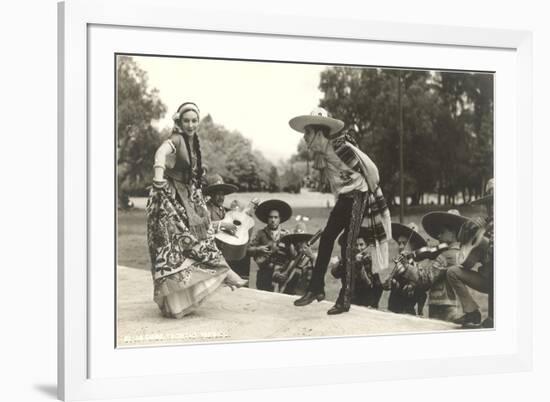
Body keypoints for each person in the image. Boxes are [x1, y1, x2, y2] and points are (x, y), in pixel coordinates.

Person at [146, 101, 246, 319]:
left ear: (198, 122)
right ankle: (222, 273)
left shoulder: (193, 143)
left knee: (199, 237)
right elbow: (161, 152)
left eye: (194, 121)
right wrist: (159, 177)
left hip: (186, 194)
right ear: (180, 122)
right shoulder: (177, 139)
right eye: (186, 121)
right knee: (176, 243)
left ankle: (221, 272)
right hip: (169, 196)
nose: (190, 125)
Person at [289, 108, 391, 315]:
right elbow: (336, 184)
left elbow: (371, 170)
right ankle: (316, 288)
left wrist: (372, 193)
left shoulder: (341, 148)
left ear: (319, 133)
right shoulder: (323, 156)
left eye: (308, 133)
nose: (305, 138)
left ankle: (345, 299)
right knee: (326, 238)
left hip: (359, 196)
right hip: (345, 198)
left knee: (348, 245)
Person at [447, 178, 494, 328]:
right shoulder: (485, 223)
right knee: (452, 272)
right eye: (489, 203)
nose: (492, 207)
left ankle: (494, 318)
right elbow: (461, 240)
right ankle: (472, 312)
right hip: (487, 279)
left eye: (495, 202)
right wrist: (469, 226)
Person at [421, 209, 470, 322]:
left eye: (442, 232)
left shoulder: (446, 256)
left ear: (453, 232)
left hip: (441, 306)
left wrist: (407, 268)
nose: (438, 235)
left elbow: (427, 278)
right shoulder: (460, 253)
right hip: (453, 304)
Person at [203, 174, 254, 281]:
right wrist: (222, 225)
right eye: (217, 194)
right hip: (212, 252)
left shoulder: (223, 209)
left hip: (227, 250)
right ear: (211, 194)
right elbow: (203, 227)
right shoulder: (206, 208)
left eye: (222, 194)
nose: (221, 197)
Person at [331, 227, 384, 309]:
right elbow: (335, 273)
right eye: (355, 245)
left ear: (366, 245)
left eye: (361, 244)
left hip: (366, 302)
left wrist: (373, 303)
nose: (359, 248)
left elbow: (378, 287)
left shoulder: (371, 262)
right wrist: (352, 262)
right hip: (349, 302)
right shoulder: (347, 261)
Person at [248, 199, 292, 291]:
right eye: (270, 217)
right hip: (264, 274)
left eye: (276, 217)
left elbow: (292, 256)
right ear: (267, 219)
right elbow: (248, 250)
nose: (273, 220)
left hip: (280, 275)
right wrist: (259, 249)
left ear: (280, 219)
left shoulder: (286, 235)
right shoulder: (260, 233)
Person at [386, 222, 429, 316]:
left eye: (404, 243)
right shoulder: (398, 265)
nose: (400, 246)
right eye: (399, 243)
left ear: (413, 246)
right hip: (393, 311)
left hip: (408, 313)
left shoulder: (418, 266)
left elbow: (423, 292)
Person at [274, 219, 318, 296]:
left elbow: (318, 277)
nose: (299, 244)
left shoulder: (310, 259)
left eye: (302, 241)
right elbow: (275, 273)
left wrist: (312, 257)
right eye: (296, 241)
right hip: (285, 294)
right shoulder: (285, 255)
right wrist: (280, 276)